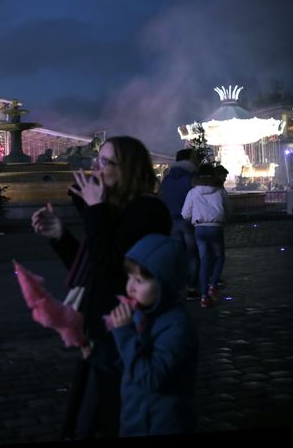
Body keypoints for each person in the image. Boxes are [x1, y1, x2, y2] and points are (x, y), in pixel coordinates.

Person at [31, 136, 172, 440]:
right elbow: (93, 269)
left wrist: (94, 210)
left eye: (107, 162)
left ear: (129, 169)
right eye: (99, 159)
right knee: (89, 420)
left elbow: (111, 268)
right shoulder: (115, 209)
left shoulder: (147, 210)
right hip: (101, 332)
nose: (97, 167)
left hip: (125, 332)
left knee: (108, 420)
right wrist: (61, 235)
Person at [108, 234, 198, 436]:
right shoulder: (143, 312)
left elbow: (152, 378)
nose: (129, 287)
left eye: (139, 280)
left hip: (160, 422)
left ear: (165, 284)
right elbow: (132, 362)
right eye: (129, 277)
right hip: (136, 416)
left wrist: (124, 334)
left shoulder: (177, 326)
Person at [181, 164, 230, 309]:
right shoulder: (220, 191)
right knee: (219, 256)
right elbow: (229, 209)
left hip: (199, 229)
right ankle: (213, 284)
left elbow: (185, 213)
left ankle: (204, 297)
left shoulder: (192, 192)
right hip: (215, 227)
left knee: (204, 260)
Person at [158, 148, 199, 299]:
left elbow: (162, 198)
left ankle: (176, 285)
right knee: (192, 254)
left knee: (177, 254)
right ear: (188, 159)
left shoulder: (167, 179)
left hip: (172, 220)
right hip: (188, 220)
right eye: (193, 157)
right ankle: (192, 288)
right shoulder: (191, 178)